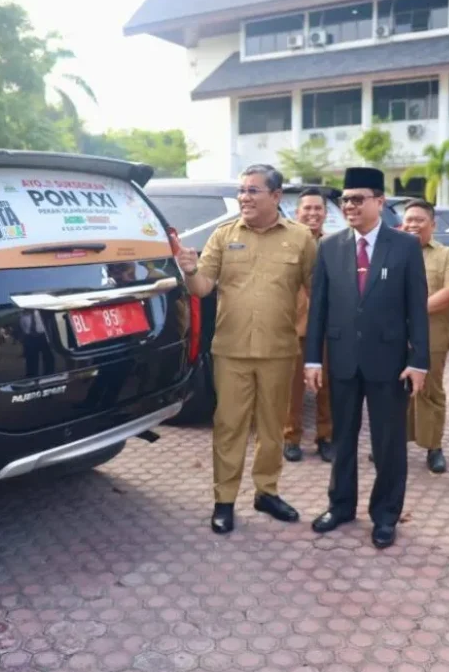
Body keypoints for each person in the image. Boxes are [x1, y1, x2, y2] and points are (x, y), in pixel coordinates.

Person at [176, 164, 317, 534]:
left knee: (273, 428)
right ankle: (224, 501)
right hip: (231, 350)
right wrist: (189, 270)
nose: (244, 197)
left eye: (253, 191)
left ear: (276, 195)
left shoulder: (301, 238)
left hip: (279, 350)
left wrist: (318, 349)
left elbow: (317, 293)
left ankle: (266, 492)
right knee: (229, 426)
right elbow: (202, 287)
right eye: (242, 191)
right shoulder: (224, 236)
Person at [303, 167, 429, 549]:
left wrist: (419, 360)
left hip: (389, 362)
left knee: (388, 443)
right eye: (345, 200)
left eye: (358, 199)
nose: (349, 206)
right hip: (343, 359)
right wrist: (313, 360)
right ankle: (340, 506)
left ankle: (386, 515)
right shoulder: (330, 246)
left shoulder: (404, 246)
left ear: (379, 201)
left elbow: (417, 308)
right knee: (342, 439)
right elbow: (318, 308)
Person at [400, 199, 449, 474]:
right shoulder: (393, 251)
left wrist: (413, 310)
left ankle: (434, 447)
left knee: (430, 391)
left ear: (432, 225)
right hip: (394, 336)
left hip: (431, 336)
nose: (413, 224)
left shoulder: (446, 255)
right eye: (409, 219)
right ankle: (394, 443)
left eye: (419, 220)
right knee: (394, 392)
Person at [284, 188, 335, 464]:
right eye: (307, 208)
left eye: (318, 208)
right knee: (292, 389)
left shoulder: (335, 245)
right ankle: (290, 438)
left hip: (327, 327)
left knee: (327, 387)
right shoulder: (286, 244)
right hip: (293, 326)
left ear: (325, 213)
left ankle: (326, 438)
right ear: (297, 213)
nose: (313, 213)